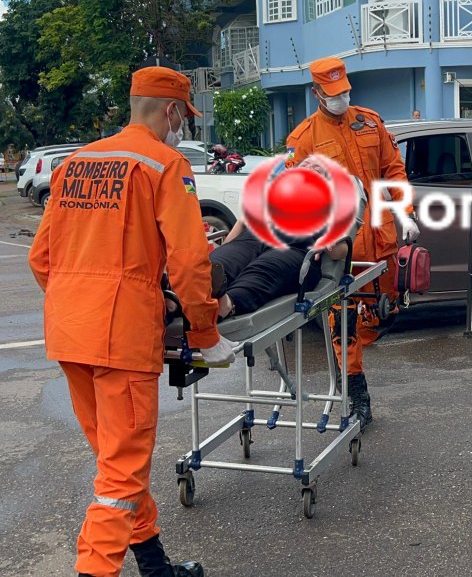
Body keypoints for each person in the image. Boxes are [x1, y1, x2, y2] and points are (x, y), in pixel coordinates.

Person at [28, 65, 234, 577]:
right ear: (170, 111)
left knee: (116, 462)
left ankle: (156, 566)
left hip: (69, 329)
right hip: (120, 335)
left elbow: (40, 257)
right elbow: (188, 262)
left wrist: (76, 303)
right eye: (182, 117)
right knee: (121, 477)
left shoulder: (77, 162)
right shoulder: (165, 164)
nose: (180, 127)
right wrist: (207, 336)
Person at [284, 56, 419, 429]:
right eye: (332, 93)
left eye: (344, 91)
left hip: (382, 241)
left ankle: (356, 365)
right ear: (316, 93)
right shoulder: (304, 140)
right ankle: (358, 394)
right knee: (344, 324)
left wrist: (404, 211)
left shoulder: (369, 123)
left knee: (385, 312)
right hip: (343, 251)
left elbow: (393, 169)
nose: (341, 98)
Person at [208, 154, 358, 320]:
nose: (309, 168)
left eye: (318, 169)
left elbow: (340, 251)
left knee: (264, 268)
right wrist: (242, 225)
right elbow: (231, 242)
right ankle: (186, 297)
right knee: (219, 262)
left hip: (296, 248)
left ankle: (227, 305)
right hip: (255, 238)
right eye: (305, 164)